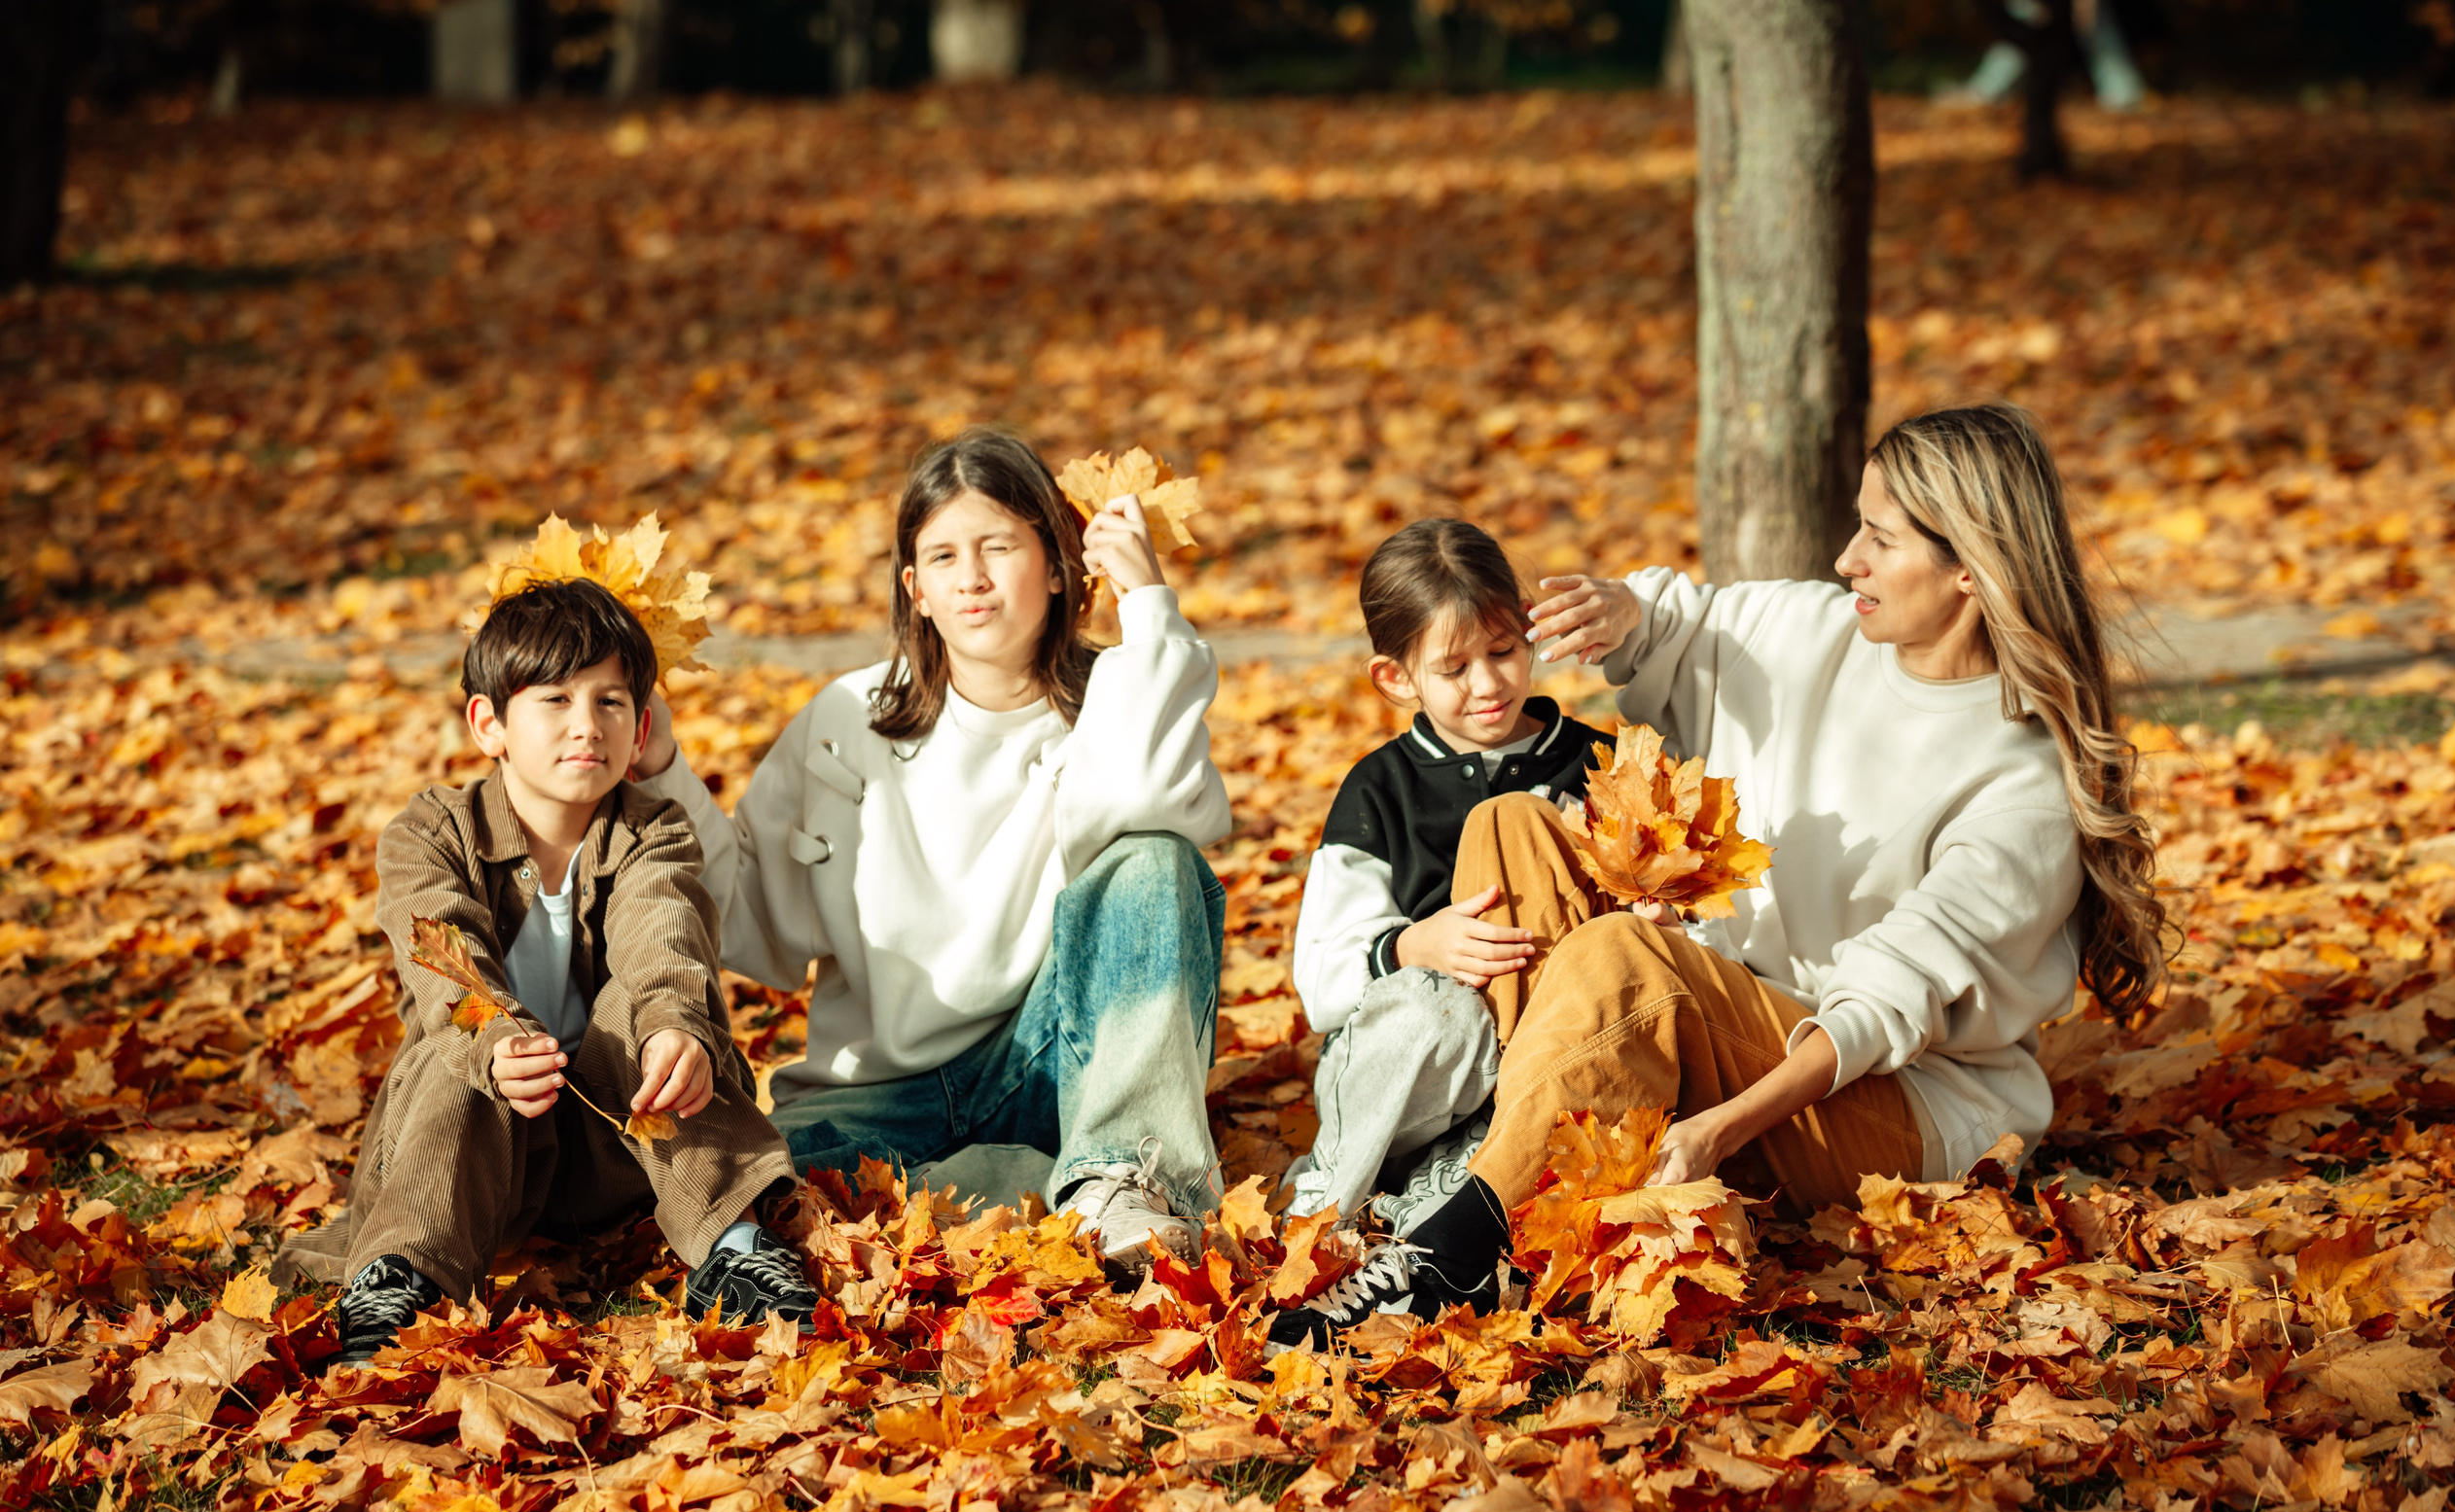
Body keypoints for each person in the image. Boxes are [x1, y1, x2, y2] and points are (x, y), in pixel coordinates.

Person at [1270, 404, 2168, 1350]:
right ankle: (1517, 1155)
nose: (1846, 559)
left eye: (1879, 538)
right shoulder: (1824, 631)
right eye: (1856, 526)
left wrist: (1716, 1133)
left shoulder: (2014, 779)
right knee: (1510, 827)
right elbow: (1678, 622)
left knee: (1624, 959)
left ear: (1967, 568)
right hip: (1739, 1009)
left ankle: (1451, 1255)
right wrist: (1621, 613)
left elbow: (1878, 1010)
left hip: (1894, 1101)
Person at [630, 428, 1231, 1273]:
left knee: (1157, 861)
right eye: (944, 556)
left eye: (999, 547)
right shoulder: (849, 721)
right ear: (915, 589)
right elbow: (751, 916)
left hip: (1050, 1068)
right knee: (753, 1186)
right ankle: (1021, 1186)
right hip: (875, 1103)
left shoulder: (1110, 708)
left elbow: (1159, 798)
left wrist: (1149, 608)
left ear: (1059, 566)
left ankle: (1118, 1178)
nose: (973, 578)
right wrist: (662, 770)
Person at [279, 580, 810, 1366]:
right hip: (472, 1151)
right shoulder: (430, 832)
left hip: (623, 1143)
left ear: (640, 733)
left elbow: (664, 932)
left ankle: (733, 1247)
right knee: (448, 1046)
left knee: (650, 1011)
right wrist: (494, 1038)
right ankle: (401, 1279)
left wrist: (674, 1026)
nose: (585, 726)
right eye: (555, 700)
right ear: (488, 723)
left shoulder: (653, 829)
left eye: (610, 702)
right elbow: (442, 960)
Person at [1286, 520, 1606, 1227]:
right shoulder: (1381, 789)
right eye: (1455, 669)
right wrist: (1408, 948)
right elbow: (1321, 980)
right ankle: (1332, 1188)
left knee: (1563, 1052)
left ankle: (1449, 1190)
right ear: (1397, 677)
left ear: (1529, 634)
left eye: (1504, 651)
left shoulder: (1597, 766)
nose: (1489, 683)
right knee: (1441, 1015)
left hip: (1547, 1054)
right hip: (1415, 1070)